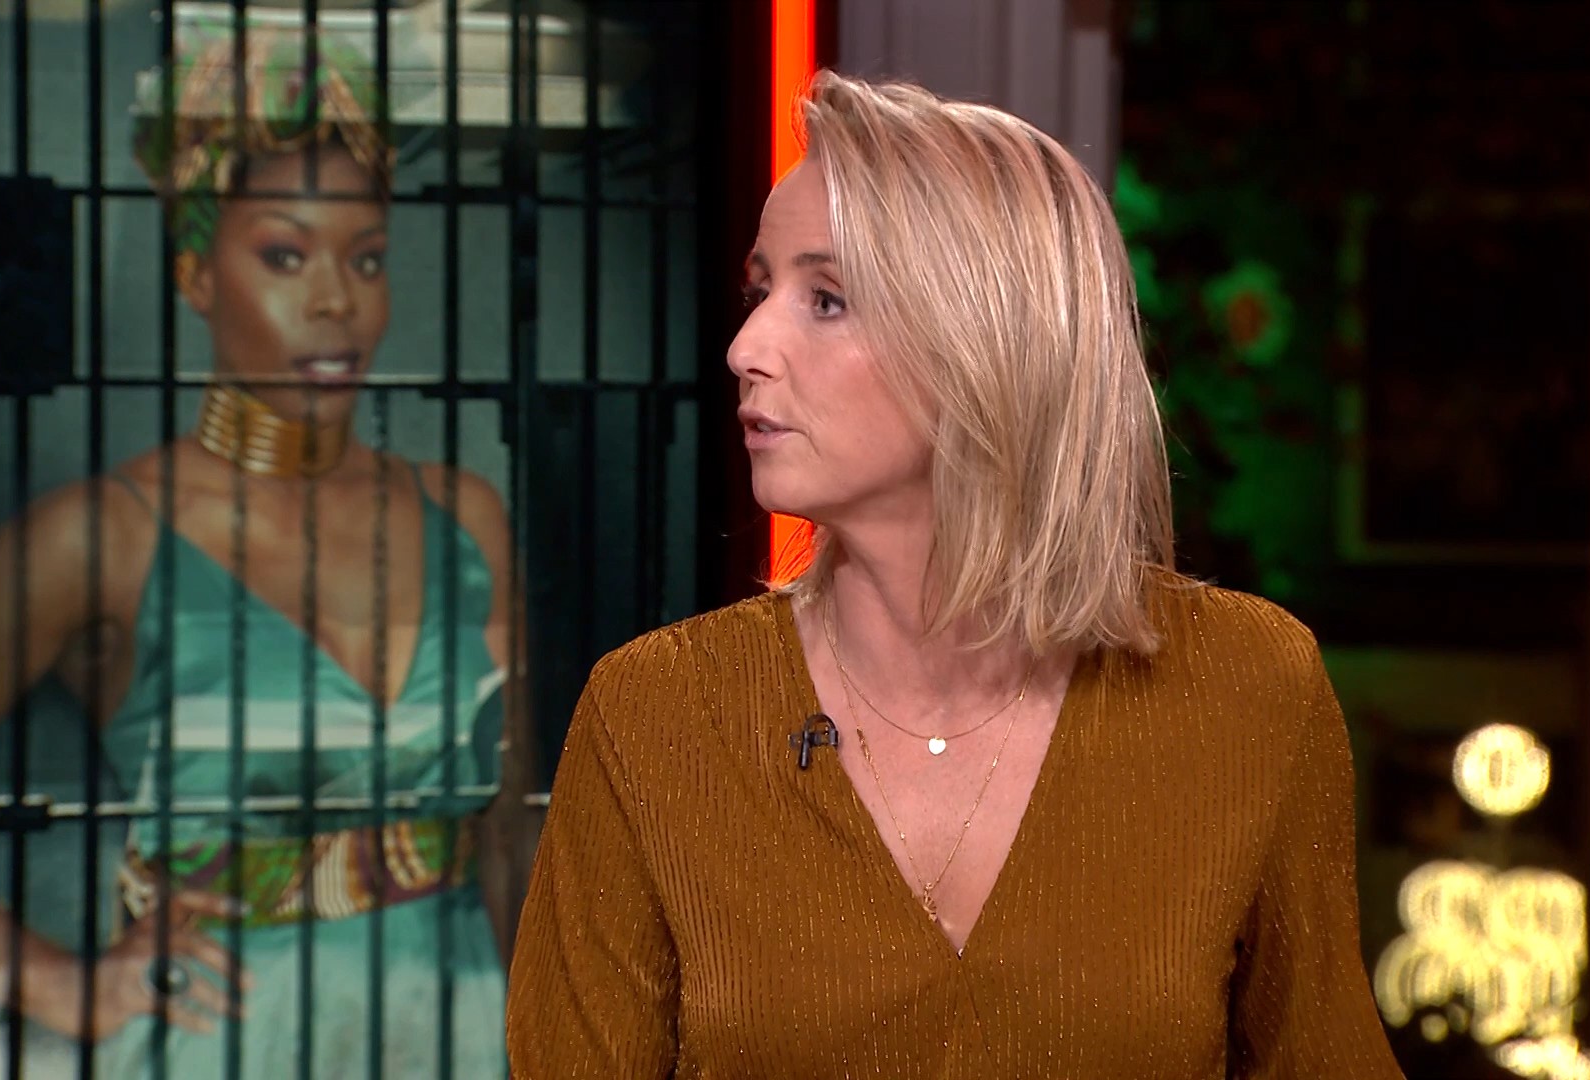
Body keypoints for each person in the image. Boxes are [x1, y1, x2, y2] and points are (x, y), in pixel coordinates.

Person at [505, 71, 1406, 1078]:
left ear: (986, 342)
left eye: (826, 299)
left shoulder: (1247, 686)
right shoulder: (655, 715)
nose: (745, 347)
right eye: (761, 293)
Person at [0, 17, 527, 1079]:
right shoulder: (101, 538)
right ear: (196, 274)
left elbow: (515, 832)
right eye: (284, 255)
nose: (336, 300)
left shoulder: (468, 519)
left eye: (367, 258)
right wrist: (48, 982)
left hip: (463, 1041)